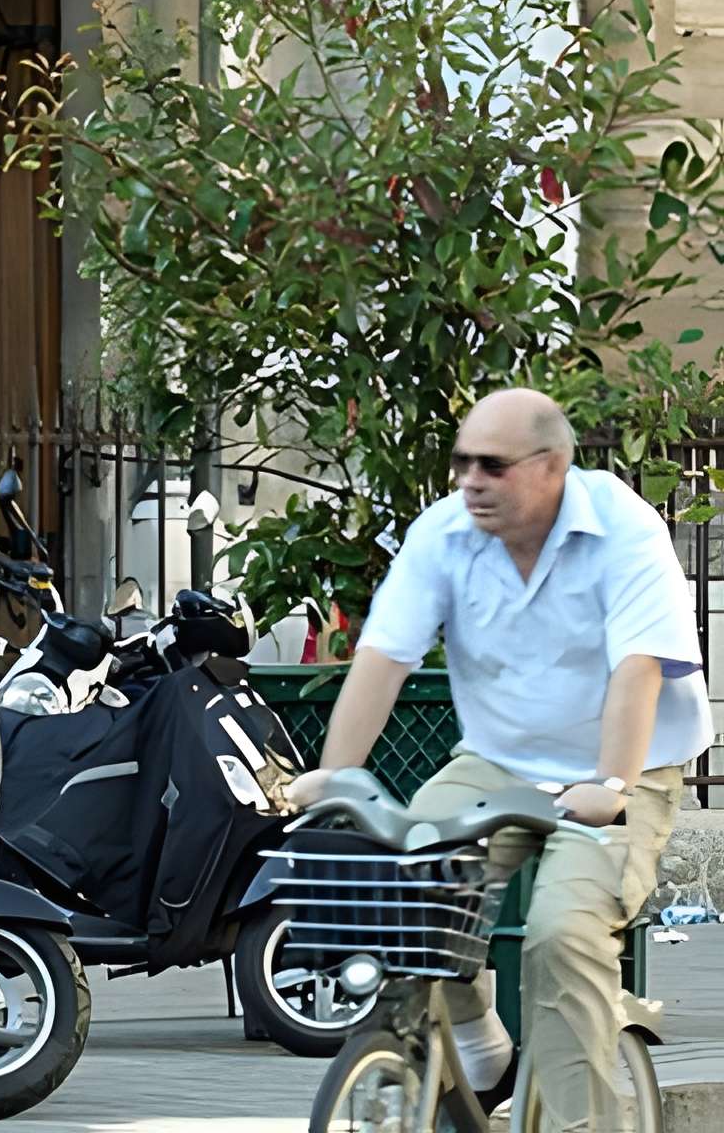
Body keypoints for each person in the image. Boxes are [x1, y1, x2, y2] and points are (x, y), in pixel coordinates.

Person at [287, 390, 709, 1133]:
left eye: (492, 465)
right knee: (403, 895)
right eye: (461, 462)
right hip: (496, 762)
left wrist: (608, 785)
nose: (469, 480)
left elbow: (637, 669)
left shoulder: (622, 530)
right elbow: (383, 660)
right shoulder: (444, 534)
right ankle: (482, 1052)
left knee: (562, 936)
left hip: (623, 771)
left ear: (551, 467)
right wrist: (335, 777)